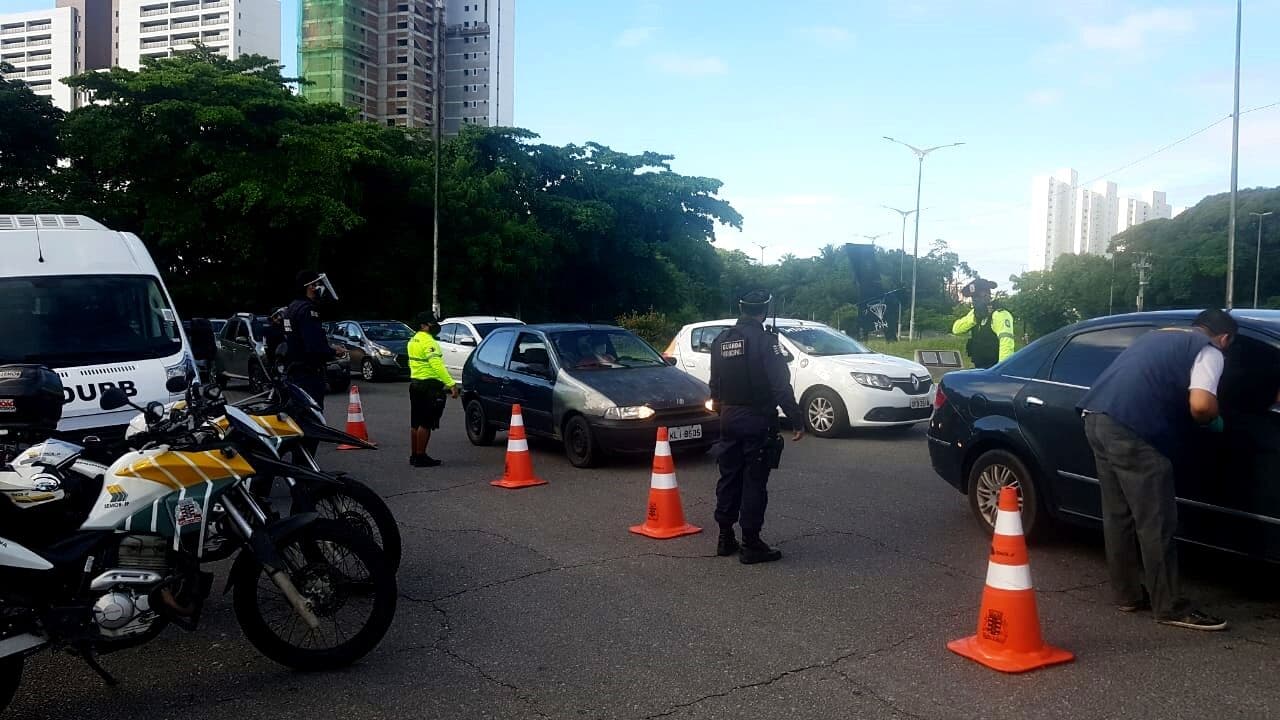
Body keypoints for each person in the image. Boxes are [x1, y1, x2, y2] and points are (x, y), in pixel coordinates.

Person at [1077, 309, 1238, 632]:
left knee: (1118, 516)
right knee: (1156, 520)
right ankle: (1169, 606)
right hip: (1131, 429)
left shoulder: (1159, 335)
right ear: (1224, 338)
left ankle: (1127, 595)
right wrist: (1213, 420)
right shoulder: (1208, 350)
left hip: (1095, 417)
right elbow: (1202, 405)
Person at [708, 290, 805, 564]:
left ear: (741, 308)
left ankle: (725, 537)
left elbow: (714, 383)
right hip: (756, 419)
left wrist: (721, 410)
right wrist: (796, 419)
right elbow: (780, 385)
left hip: (728, 416)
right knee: (754, 481)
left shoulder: (721, 340)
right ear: (763, 311)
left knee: (728, 476)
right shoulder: (765, 341)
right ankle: (751, 544)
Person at [406, 311, 458, 467]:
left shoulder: (413, 340)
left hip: (415, 384)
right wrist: (451, 383)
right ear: (423, 325)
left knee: (415, 423)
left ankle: (414, 455)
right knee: (426, 423)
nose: (435, 326)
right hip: (429, 386)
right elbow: (437, 366)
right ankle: (421, 456)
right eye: (432, 323)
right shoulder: (429, 342)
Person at [282, 270, 338, 410]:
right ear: (311, 287)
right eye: (317, 284)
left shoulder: (292, 307)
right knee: (312, 415)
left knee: (298, 412)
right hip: (309, 373)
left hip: (294, 370)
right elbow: (314, 345)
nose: (320, 288)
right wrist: (333, 351)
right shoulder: (308, 310)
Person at [952, 278, 1014, 368]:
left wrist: (1001, 369)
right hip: (979, 367)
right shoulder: (974, 313)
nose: (975, 300)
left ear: (988, 295)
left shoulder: (999, 314)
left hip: (994, 368)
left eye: (978, 296)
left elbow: (1006, 344)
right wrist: (975, 318)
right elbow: (956, 329)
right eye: (973, 298)